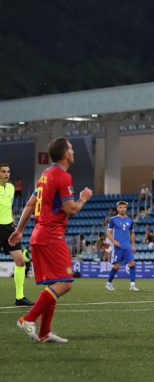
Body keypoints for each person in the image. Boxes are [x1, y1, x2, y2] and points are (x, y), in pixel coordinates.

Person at [11, 137, 93, 343]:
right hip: (51, 235)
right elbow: (70, 209)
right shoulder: (63, 177)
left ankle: (44, 332)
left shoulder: (45, 176)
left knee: (55, 284)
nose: (74, 152)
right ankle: (28, 319)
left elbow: (30, 205)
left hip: (38, 234)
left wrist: (20, 230)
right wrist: (83, 198)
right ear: (65, 154)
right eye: (72, 149)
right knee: (65, 283)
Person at [0, 163, 34, 306]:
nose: (6, 174)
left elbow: (9, 208)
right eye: (3, 172)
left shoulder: (11, 188)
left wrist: (15, 226)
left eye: (8, 171)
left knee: (20, 261)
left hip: (9, 229)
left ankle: (20, 297)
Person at [105, 201, 138, 291]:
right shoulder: (113, 219)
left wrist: (133, 245)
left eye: (124, 207)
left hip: (127, 246)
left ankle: (132, 285)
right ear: (117, 209)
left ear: (126, 209)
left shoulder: (130, 220)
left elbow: (132, 233)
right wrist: (114, 241)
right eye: (121, 207)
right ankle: (108, 283)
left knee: (132, 264)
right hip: (118, 246)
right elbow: (108, 232)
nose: (122, 209)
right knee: (116, 266)